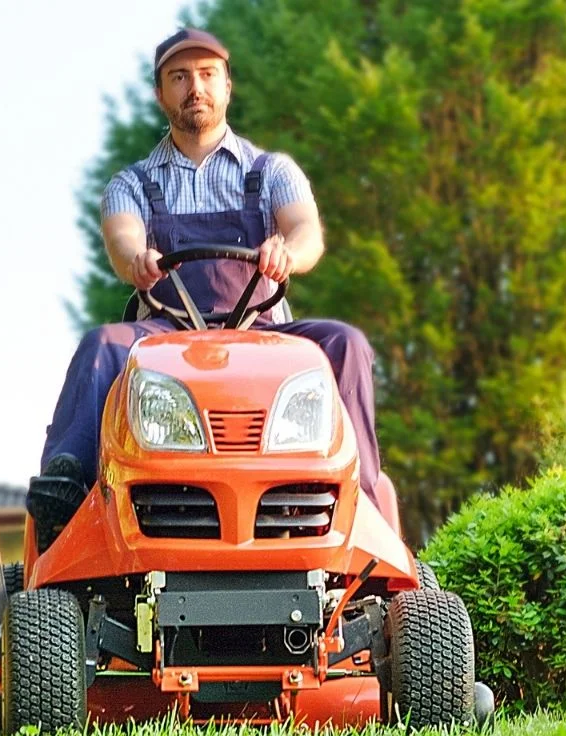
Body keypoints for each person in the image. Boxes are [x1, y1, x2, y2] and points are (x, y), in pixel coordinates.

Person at [30, 27, 384, 543]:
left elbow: (306, 229)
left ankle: (362, 501)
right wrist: (137, 259)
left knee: (346, 343)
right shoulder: (132, 184)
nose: (195, 87)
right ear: (161, 94)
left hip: (265, 334)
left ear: (226, 86)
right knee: (102, 345)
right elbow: (122, 234)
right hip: (165, 336)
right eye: (179, 77)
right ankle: (69, 490)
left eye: (206, 75)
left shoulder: (271, 171)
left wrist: (289, 252)